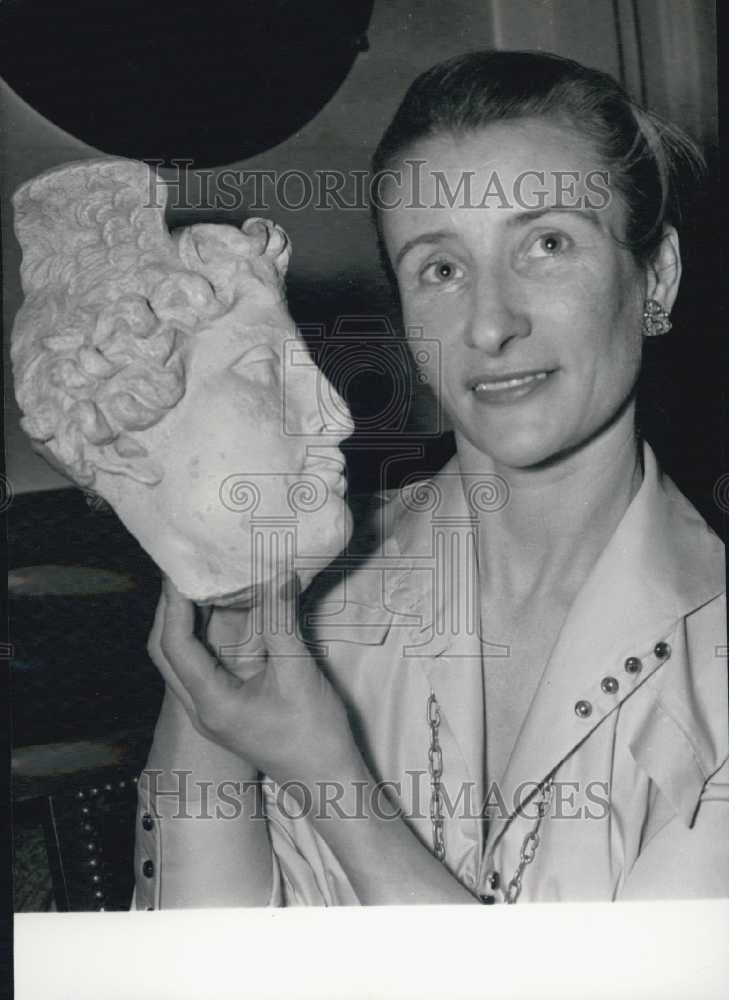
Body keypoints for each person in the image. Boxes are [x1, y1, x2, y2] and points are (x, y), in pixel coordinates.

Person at [134, 50, 727, 908]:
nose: (489, 324)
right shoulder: (306, 584)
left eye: (548, 243)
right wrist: (226, 614)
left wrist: (329, 777)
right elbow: (181, 963)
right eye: (439, 269)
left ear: (655, 277)